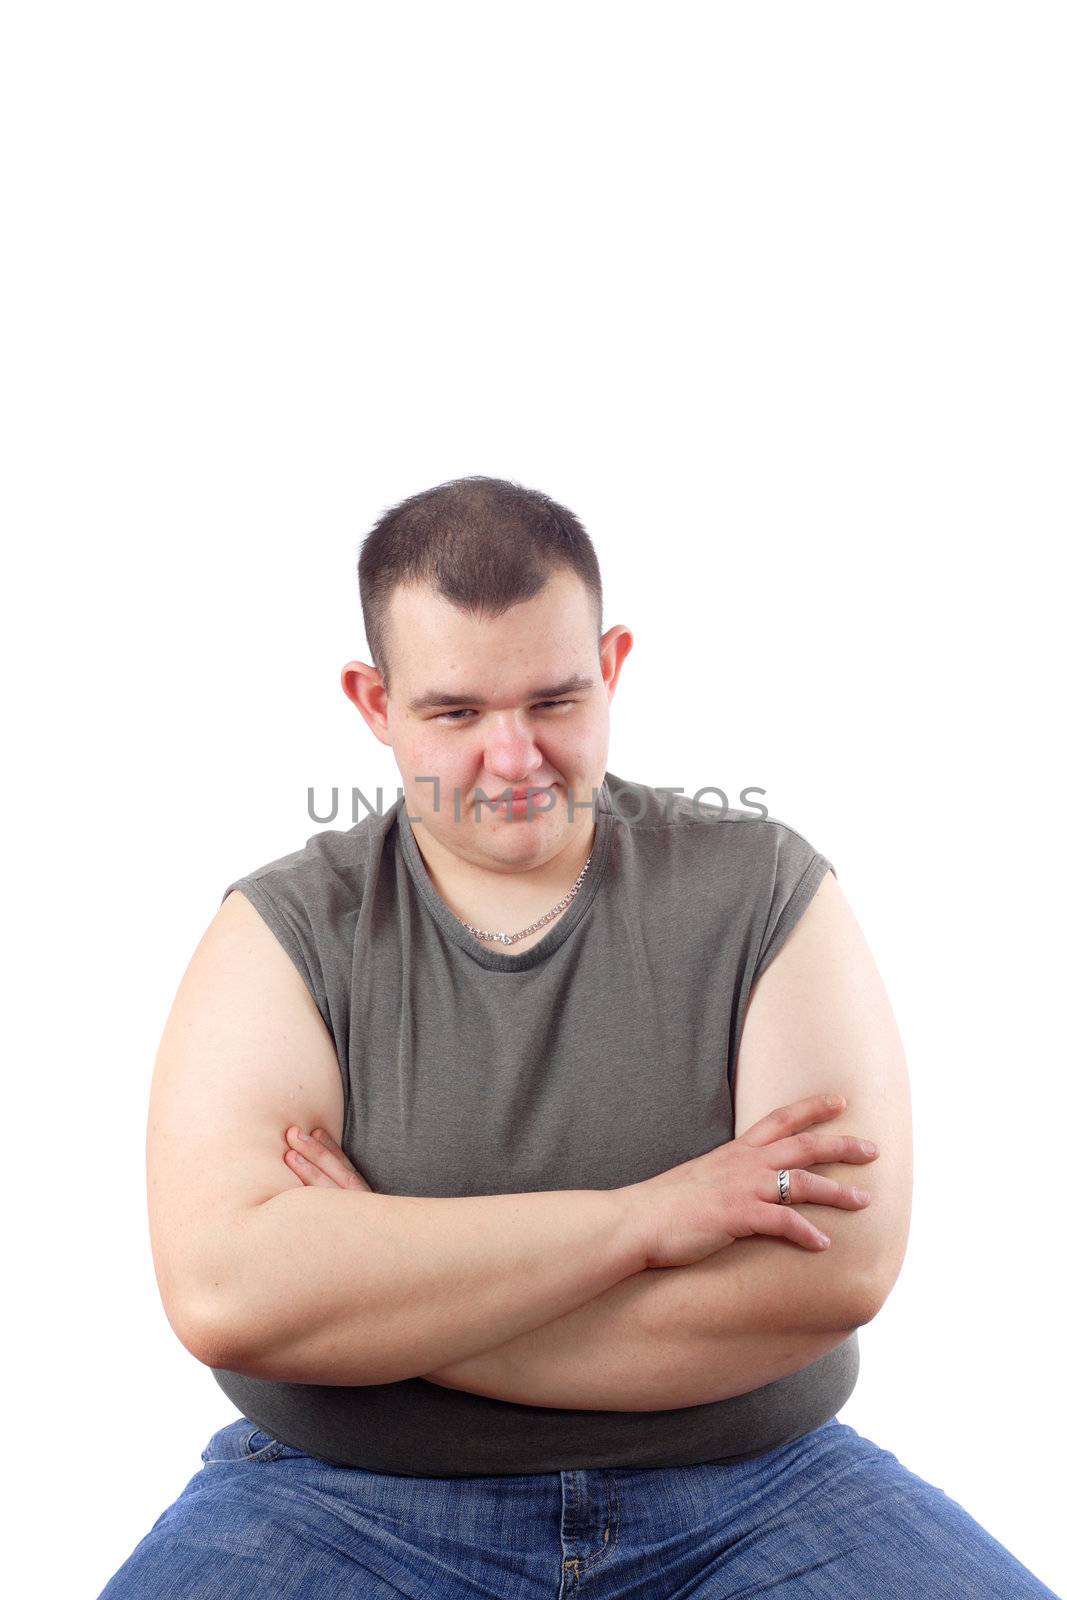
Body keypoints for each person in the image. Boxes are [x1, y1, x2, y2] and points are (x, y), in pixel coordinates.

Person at [99, 476, 1059, 1598]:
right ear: (375, 702)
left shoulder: (764, 889)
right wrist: (644, 1220)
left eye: (554, 701)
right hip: (338, 1489)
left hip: (751, 1481)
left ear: (610, 667)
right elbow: (227, 1296)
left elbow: (828, 1278)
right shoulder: (285, 929)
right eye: (455, 713)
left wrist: (382, 1306)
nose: (513, 760)